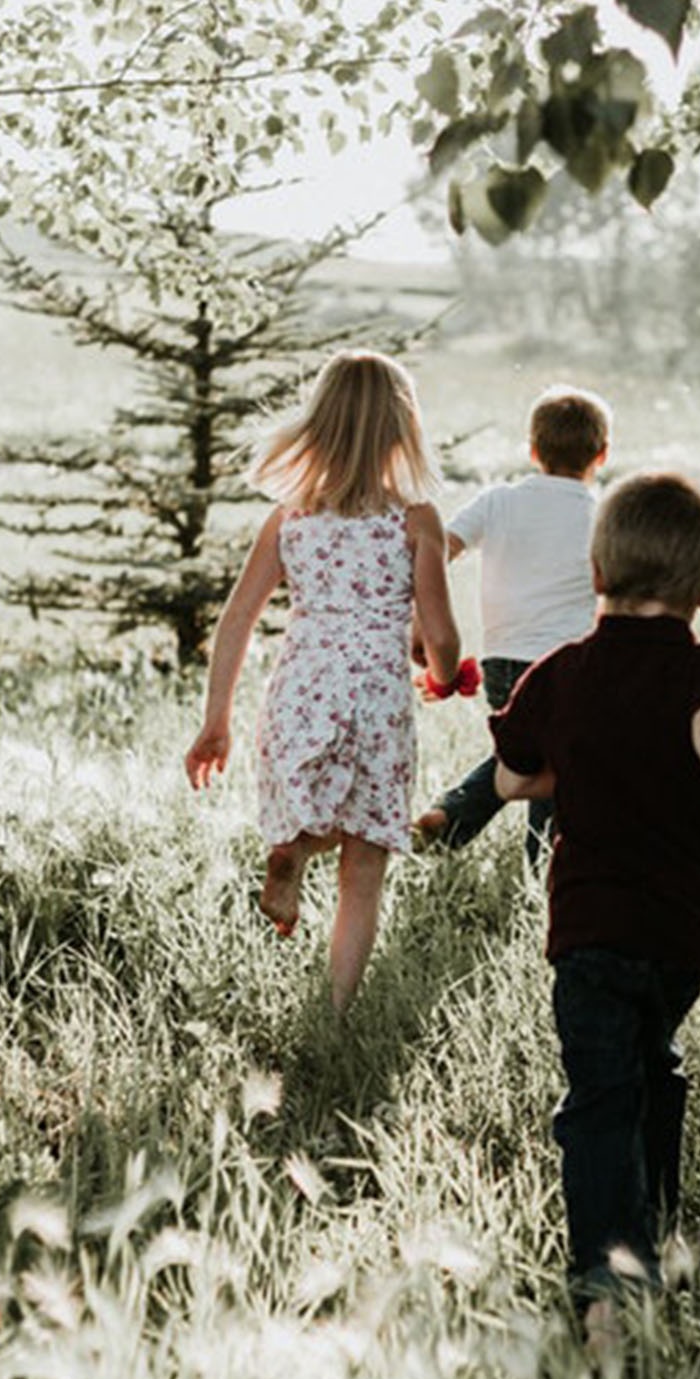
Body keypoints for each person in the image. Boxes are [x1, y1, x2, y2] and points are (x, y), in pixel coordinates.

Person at [488, 470, 700, 1334]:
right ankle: (656, 1232)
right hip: (681, 929)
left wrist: (577, 764)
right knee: (654, 1068)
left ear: (597, 570)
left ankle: (611, 1284)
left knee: (600, 1095)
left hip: (591, 925)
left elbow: (514, 776)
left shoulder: (561, 673)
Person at [185, 351, 460, 1016]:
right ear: (403, 429)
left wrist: (215, 720)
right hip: (374, 694)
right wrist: (443, 675)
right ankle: (336, 1013)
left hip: (302, 686)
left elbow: (236, 622)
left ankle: (293, 849)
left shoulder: (290, 519)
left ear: (320, 425)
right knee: (364, 864)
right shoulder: (415, 519)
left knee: (314, 806)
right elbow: (442, 635)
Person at [412, 385, 611, 862]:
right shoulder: (601, 516)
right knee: (555, 762)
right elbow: (616, 585)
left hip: (502, 663)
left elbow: (440, 548)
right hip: (569, 664)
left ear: (533, 450)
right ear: (602, 455)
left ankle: (450, 818)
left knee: (530, 753)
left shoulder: (498, 501)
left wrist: (422, 615)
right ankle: (542, 864)